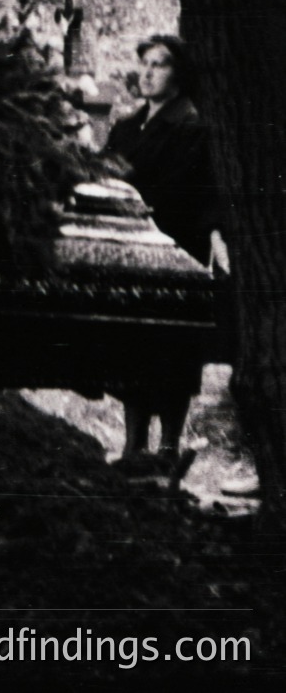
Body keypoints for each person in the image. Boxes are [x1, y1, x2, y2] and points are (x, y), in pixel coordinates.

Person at [103, 34, 229, 482]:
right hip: (128, 248)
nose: (148, 72)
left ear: (180, 75)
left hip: (173, 248)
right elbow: (107, 174)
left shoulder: (191, 127)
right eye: (145, 63)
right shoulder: (126, 126)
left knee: (172, 349)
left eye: (161, 64)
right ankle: (134, 445)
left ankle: (170, 448)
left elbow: (182, 191)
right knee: (131, 347)